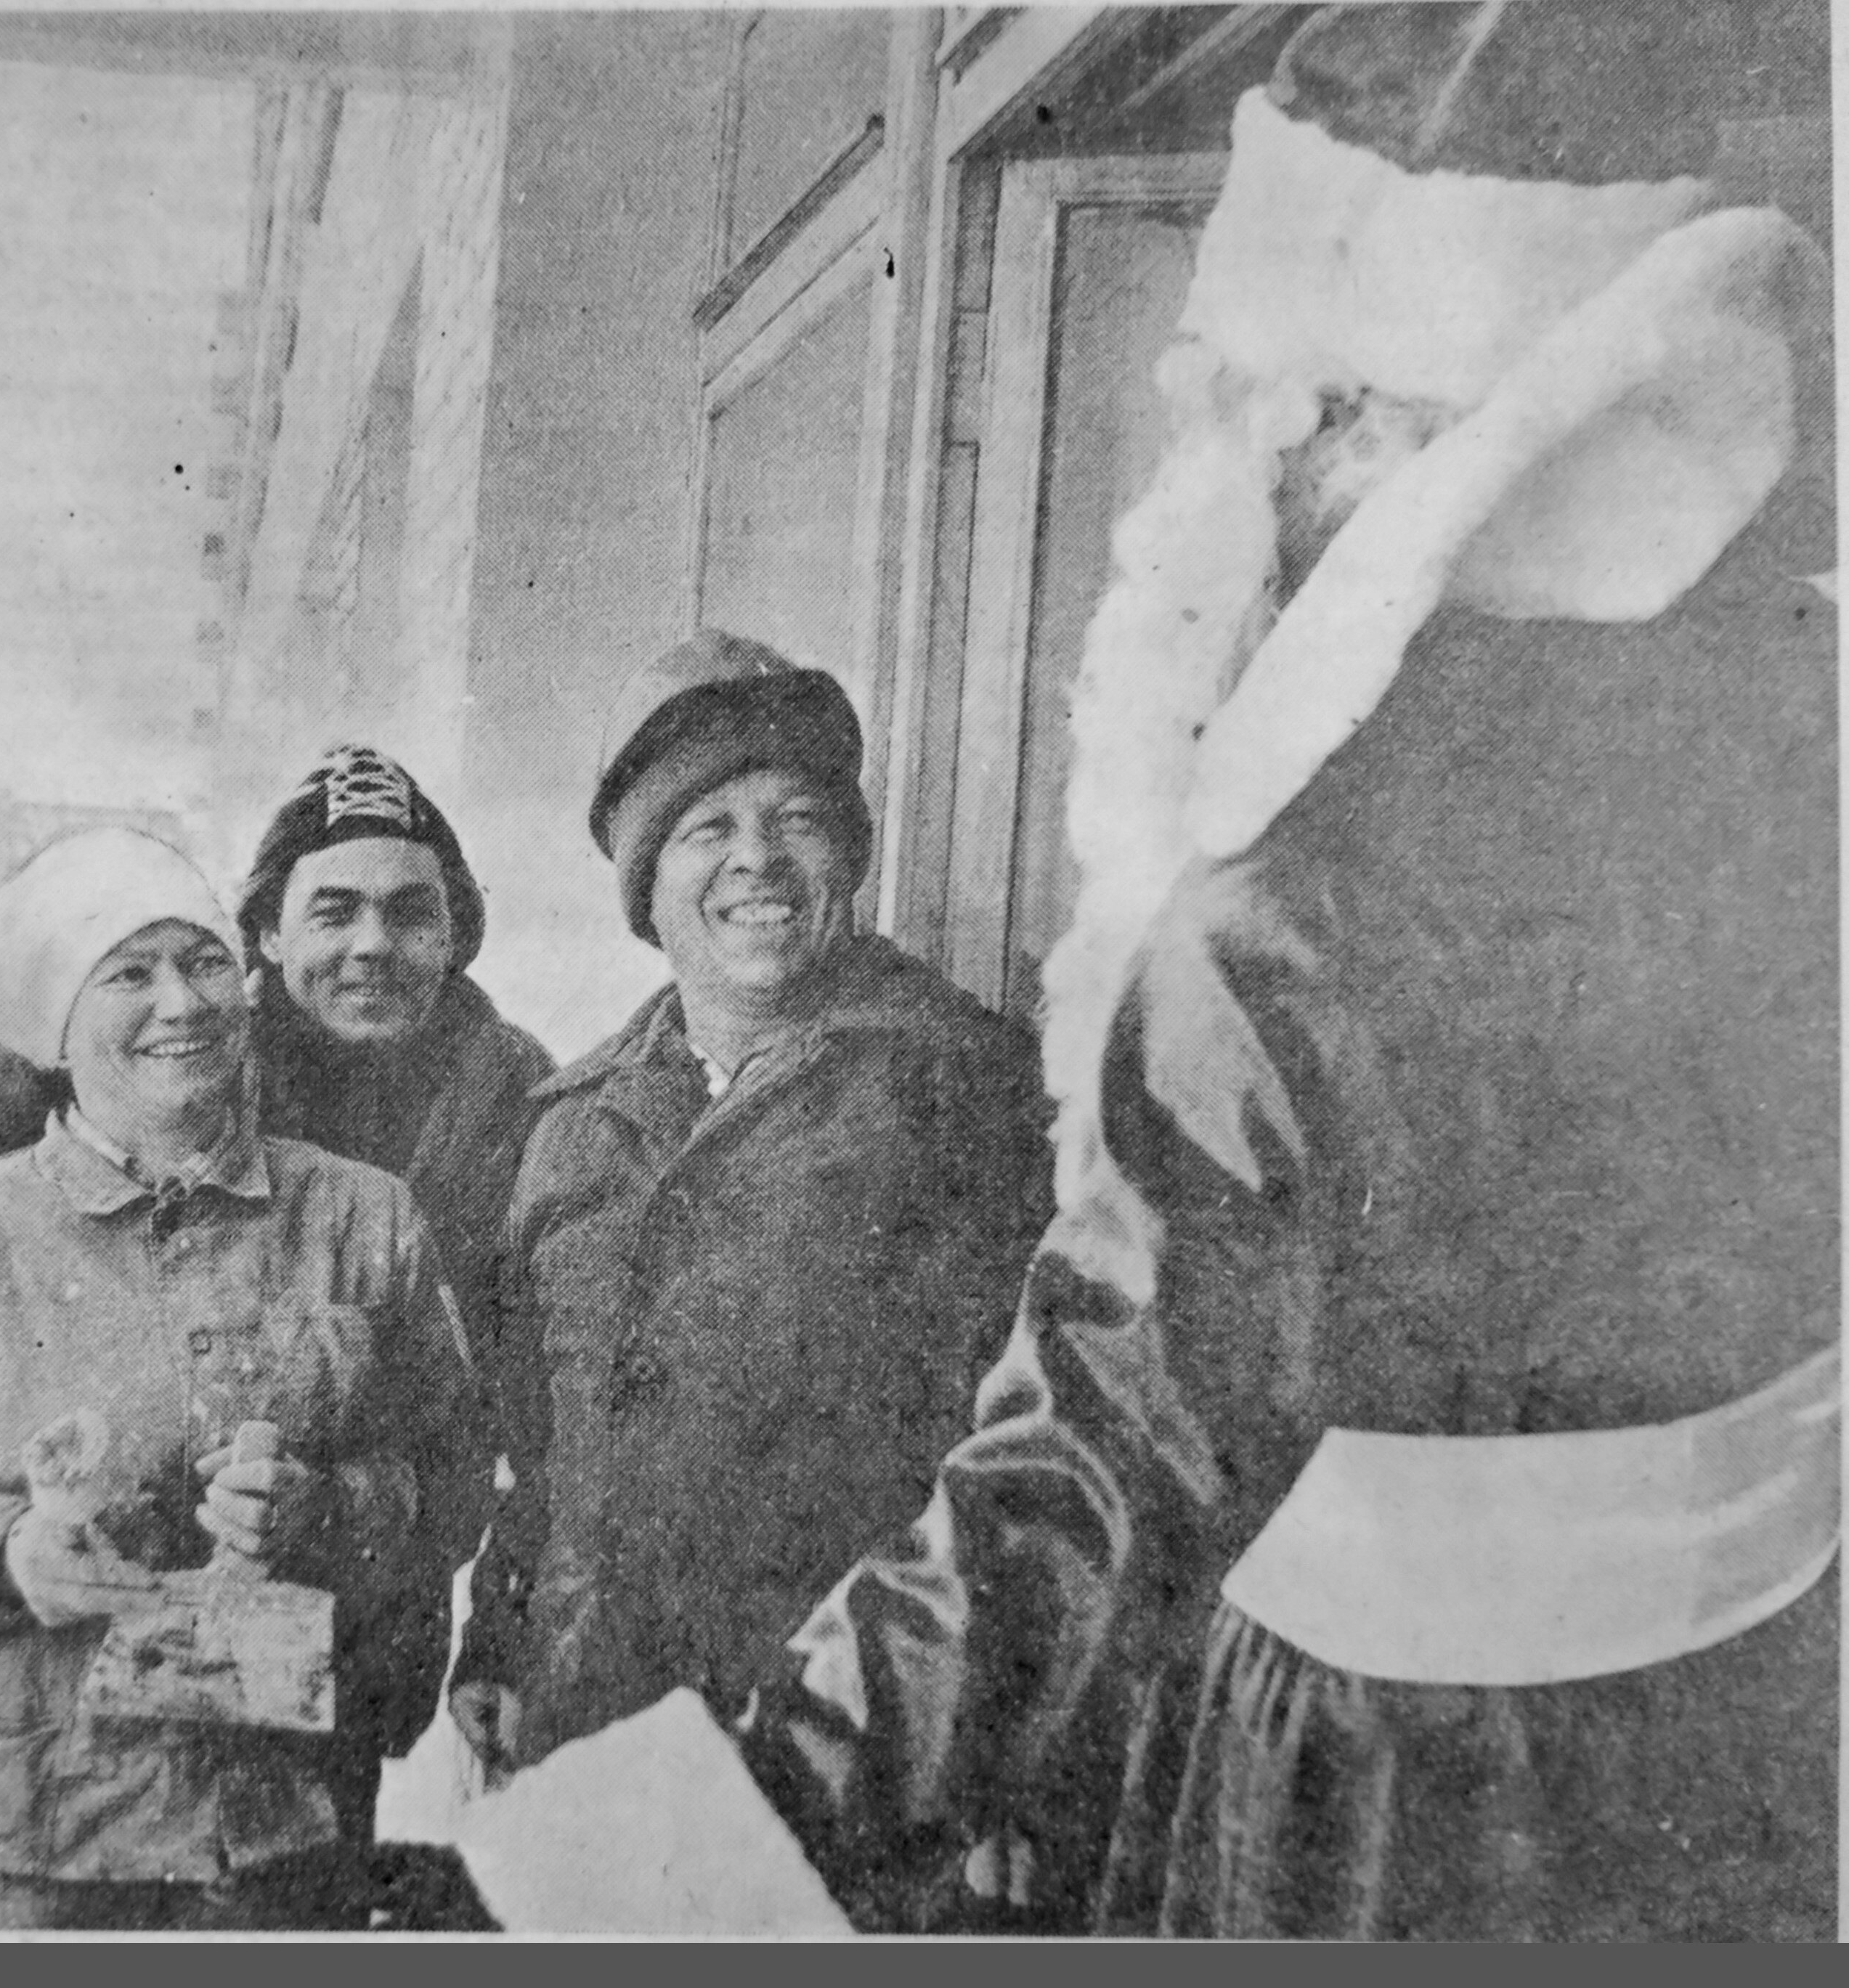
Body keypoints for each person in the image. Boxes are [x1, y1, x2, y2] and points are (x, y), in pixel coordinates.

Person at [759, 0, 1838, 1940]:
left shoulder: (1294, 915)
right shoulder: (1800, 755)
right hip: (1756, 1747)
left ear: (1441, 431)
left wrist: (677, 1851)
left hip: (1382, 1790)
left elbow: (1083, 1490)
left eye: (1287, 404)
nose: (1224, 456)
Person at [0, 828, 487, 1931]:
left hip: (261, 1855)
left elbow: (456, 1475)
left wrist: (330, 1508)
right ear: (57, 1021)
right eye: (129, 974)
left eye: (203, 963)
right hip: (2, 1864)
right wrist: (3, 1554)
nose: (181, 1003)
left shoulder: (361, 1217)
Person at [446, 632, 1054, 1912]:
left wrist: (1010, 1754)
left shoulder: (971, 1093)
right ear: (647, 885)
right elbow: (544, 1450)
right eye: (705, 828)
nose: (757, 859)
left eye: (798, 819)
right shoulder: (570, 1127)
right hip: (597, 1741)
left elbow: (1039, 1459)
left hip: (858, 1776)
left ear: (851, 855)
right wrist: (499, 1637)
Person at [238, 743, 554, 1757]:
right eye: (334, 912)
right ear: (268, 933)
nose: (373, 945)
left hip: (388, 1612)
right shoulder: (198, 1071)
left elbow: (551, 1411)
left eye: (411, 913)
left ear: (455, 935)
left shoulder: (523, 1105)